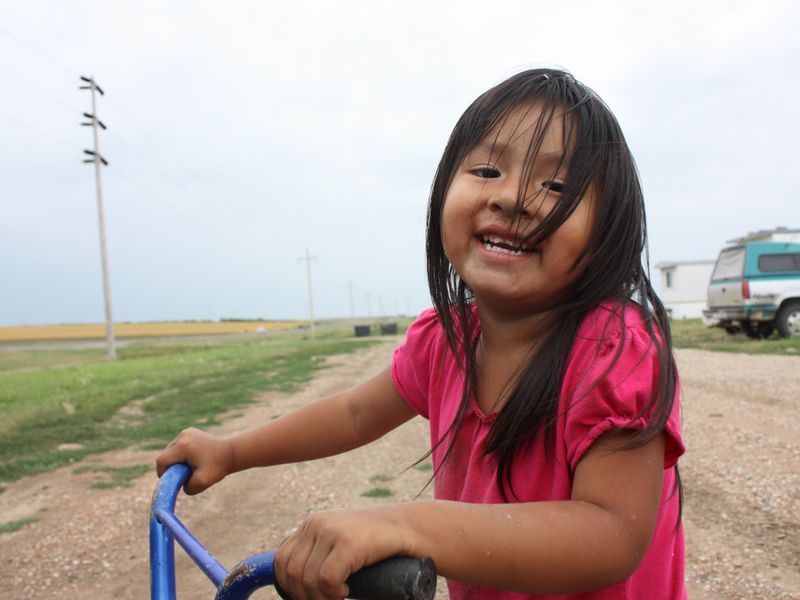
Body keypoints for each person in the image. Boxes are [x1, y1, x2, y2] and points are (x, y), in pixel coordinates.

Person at [156, 68, 685, 599]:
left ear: (608, 231)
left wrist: (408, 525)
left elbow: (612, 534)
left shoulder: (614, 352)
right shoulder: (446, 341)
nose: (512, 197)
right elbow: (353, 413)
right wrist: (230, 451)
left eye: (556, 185)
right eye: (486, 168)